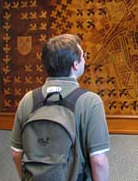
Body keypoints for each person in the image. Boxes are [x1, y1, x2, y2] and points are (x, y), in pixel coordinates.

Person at [10, 34, 110, 181]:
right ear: (75, 64)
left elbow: (16, 153)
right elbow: (99, 161)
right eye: (83, 56)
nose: (84, 60)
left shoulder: (28, 100)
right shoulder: (90, 102)